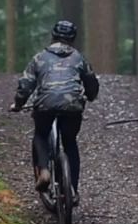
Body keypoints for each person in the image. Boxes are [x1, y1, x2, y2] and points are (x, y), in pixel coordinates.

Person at [11, 19, 100, 202]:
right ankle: (73, 189)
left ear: (53, 36)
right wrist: (90, 96)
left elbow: (26, 85)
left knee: (41, 135)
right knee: (70, 142)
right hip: (72, 106)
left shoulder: (40, 57)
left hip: (45, 104)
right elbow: (91, 83)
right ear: (73, 38)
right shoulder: (79, 58)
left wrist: (18, 104)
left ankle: (43, 171)